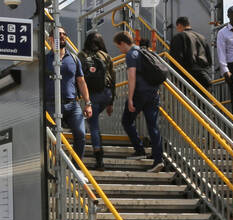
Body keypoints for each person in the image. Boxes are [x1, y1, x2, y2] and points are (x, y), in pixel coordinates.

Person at [114, 30, 166, 173]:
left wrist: (130, 98)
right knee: (153, 126)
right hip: (153, 93)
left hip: (139, 94)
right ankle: (158, 159)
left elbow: (131, 77)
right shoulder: (145, 52)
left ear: (123, 43)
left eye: (119, 47)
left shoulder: (131, 55)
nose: (120, 50)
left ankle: (139, 149)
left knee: (127, 120)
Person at [45, 27, 91, 161]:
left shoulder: (74, 58)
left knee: (80, 133)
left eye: (64, 34)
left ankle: (76, 167)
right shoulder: (46, 59)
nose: (63, 36)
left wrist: (88, 103)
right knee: (52, 137)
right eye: (59, 34)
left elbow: (81, 82)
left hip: (72, 104)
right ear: (51, 38)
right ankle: (55, 165)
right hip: (51, 104)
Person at [80, 30, 115, 171]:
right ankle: (98, 147)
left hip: (92, 94)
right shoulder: (106, 56)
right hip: (106, 94)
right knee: (94, 120)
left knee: (93, 124)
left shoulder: (82, 56)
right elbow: (113, 79)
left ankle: (99, 158)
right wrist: (111, 102)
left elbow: (79, 77)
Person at [169, 16, 215, 92]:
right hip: (204, 74)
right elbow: (209, 57)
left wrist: (176, 77)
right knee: (204, 100)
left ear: (179, 25)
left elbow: (176, 58)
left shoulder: (179, 36)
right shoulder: (202, 37)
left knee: (188, 101)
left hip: (188, 75)